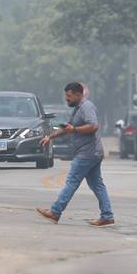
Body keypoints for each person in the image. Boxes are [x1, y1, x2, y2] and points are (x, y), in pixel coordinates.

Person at [36, 82, 115, 227]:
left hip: (88, 153)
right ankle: (107, 216)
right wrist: (50, 137)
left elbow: (93, 126)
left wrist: (75, 130)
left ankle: (55, 211)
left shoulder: (87, 107)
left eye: (69, 96)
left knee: (72, 182)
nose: (67, 99)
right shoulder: (78, 108)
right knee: (97, 185)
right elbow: (68, 128)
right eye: (66, 96)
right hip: (92, 152)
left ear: (79, 94)